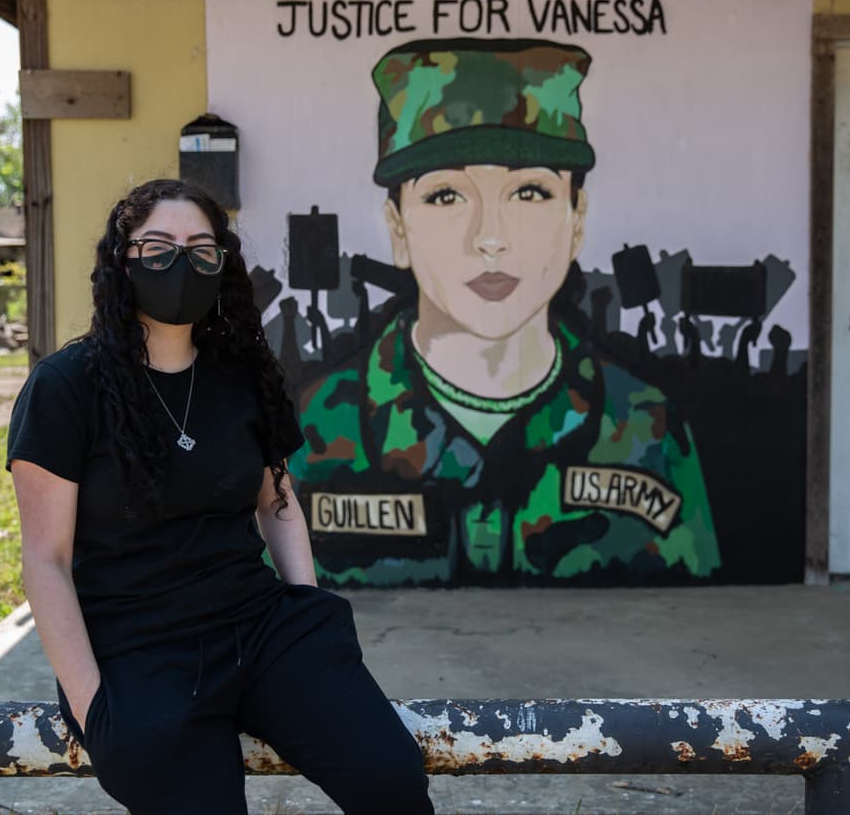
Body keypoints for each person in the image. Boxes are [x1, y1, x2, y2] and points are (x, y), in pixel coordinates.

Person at [6, 179, 432, 814]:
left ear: (223, 265)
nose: (181, 262)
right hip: (138, 649)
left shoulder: (243, 372)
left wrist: (307, 613)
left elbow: (277, 502)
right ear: (121, 260)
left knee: (391, 780)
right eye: (158, 247)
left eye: (202, 248)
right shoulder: (65, 387)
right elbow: (46, 560)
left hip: (257, 628)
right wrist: (93, 705)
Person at [289, 38, 722, 585]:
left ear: (577, 220)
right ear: (398, 230)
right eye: (447, 196)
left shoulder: (646, 426)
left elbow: (697, 622)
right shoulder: (314, 428)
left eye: (530, 193)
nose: (490, 238)